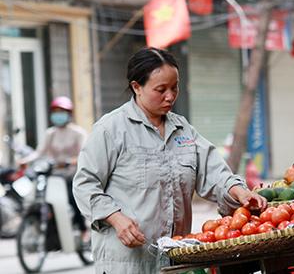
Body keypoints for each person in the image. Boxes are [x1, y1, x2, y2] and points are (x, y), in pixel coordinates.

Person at [73, 47, 267, 274]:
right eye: (161, 89)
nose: (170, 96)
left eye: (174, 88)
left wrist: (238, 191)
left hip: (176, 262)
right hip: (128, 263)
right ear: (137, 87)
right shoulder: (110, 129)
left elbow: (214, 172)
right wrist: (115, 218)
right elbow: (85, 185)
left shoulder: (183, 129)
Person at [18, 95, 88, 233]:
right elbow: (39, 152)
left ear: (69, 114)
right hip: (54, 175)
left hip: (73, 175)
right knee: (43, 197)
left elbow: (85, 154)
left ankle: (83, 228)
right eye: (55, 112)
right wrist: (25, 161)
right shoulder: (50, 133)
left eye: (61, 112)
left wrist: (69, 162)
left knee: (71, 199)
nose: (58, 115)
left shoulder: (78, 133)